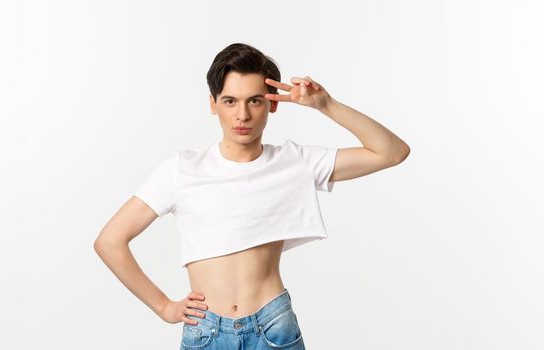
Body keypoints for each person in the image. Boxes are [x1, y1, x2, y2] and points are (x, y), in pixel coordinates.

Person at [94, 42, 410, 349]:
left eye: (254, 101)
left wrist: (326, 105)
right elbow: (110, 241)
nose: (242, 115)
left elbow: (391, 152)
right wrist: (163, 307)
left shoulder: (295, 162)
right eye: (230, 101)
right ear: (213, 104)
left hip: (273, 327)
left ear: (272, 103)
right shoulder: (182, 169)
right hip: (206, 331)